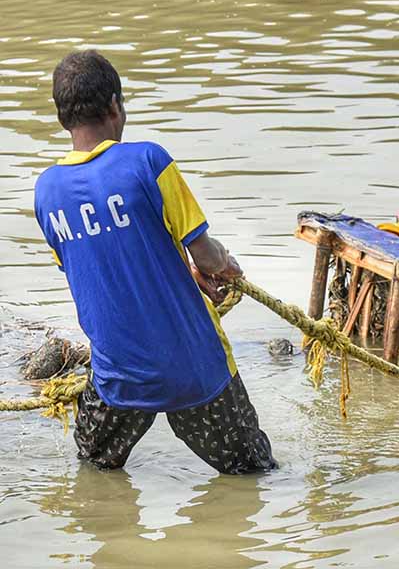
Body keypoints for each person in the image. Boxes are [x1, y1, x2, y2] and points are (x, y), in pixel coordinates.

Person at [33, 50, 276, 474]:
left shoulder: (46, 193)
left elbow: (109, 266)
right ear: (114, 105)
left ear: (62, 118)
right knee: (254, 475)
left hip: (118, 378)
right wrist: (223, 266)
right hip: (195, 372)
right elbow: (205, 252)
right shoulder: (148, 161)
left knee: (93, 469)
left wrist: (184, 274)